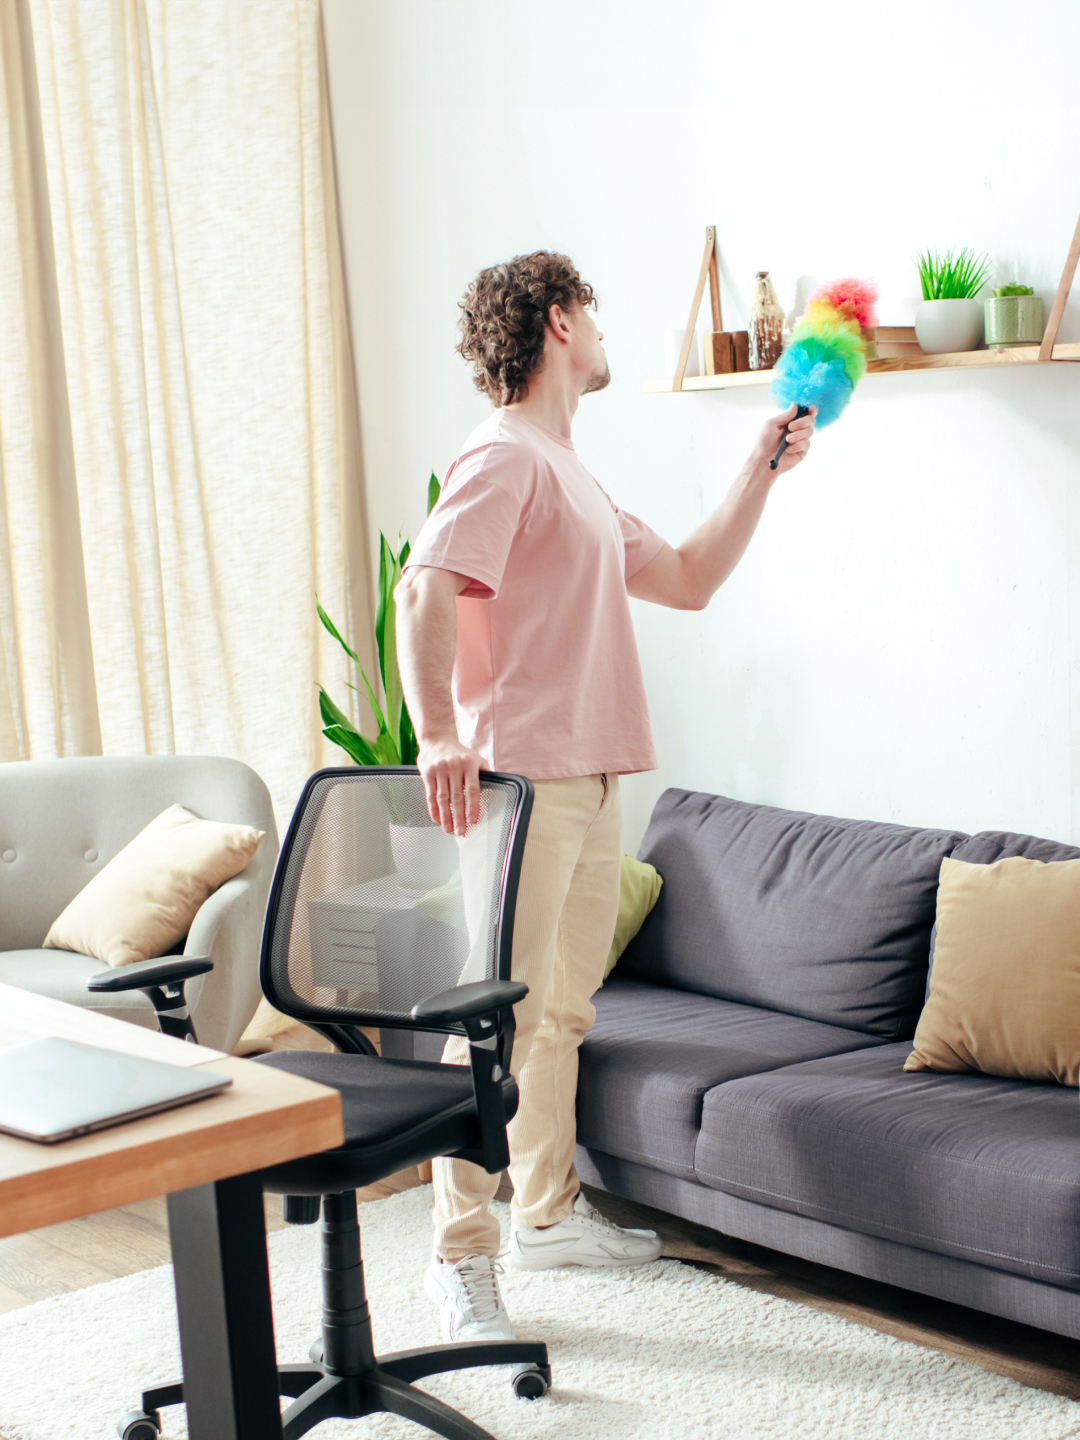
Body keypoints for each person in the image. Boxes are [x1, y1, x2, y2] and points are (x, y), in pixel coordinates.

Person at [395, 251, 816, 1344]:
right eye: (593, 308)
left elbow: (686, 576)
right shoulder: (501, 454)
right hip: (522, 784)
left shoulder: (568, 471)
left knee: (561, 1014)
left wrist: (761, 469)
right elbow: (424, 585)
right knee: (491, 1023)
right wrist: (439, 732)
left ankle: (547, 1215)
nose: (601, 326)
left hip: (589, 777)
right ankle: (461, 1254)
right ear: (559, 321)